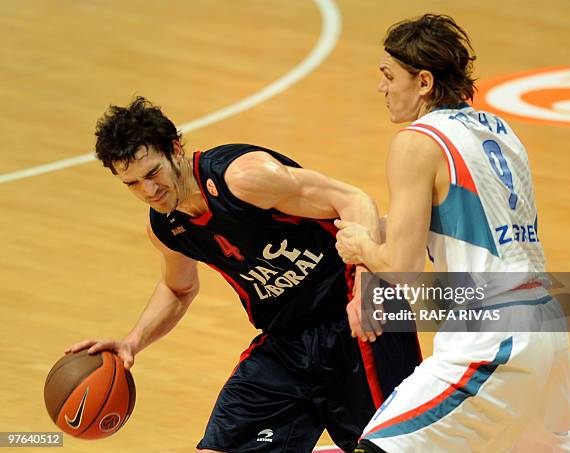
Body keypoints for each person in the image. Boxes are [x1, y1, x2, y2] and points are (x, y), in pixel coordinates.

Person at [65, 97, 421, 452]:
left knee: (397, 447)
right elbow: (178, 288)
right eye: (132, 184)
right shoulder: (166, 227)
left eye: (153, 173)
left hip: (356, 318)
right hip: (287, 341)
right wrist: (132, 342)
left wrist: (366, 288)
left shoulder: (243, 178)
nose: (149, 191)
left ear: (175, 149)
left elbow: (354, 200)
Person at [334, 14, 570, 453]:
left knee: (380, 446)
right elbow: (469, 224)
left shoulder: (417, 141)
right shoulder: (502, 132)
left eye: (389, 76)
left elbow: (403, 270)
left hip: (492, 335)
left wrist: (361, 247)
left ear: (423, 81)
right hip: (547, 327)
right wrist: (383, 232)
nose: (382, 88)